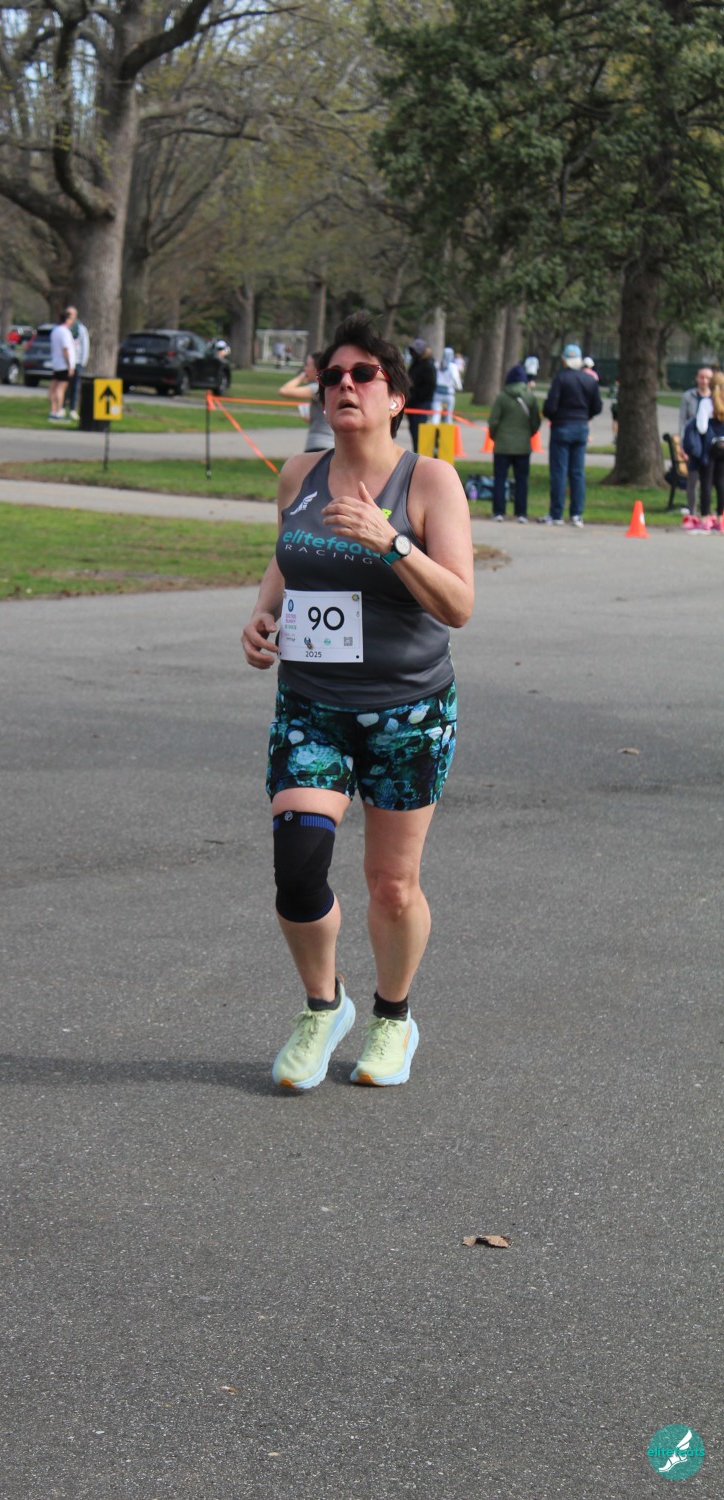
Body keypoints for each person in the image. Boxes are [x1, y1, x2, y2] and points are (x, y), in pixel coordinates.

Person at [240, 313, 474, 1092]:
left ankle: (394, 1017)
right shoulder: (298, 475)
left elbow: (458, 605)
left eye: (363, 374)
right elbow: (287, 561)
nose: (344, 385)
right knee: (298, 865)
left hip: (408, 710)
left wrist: (390, 540)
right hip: (312, 704)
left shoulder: (429, 481)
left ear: (395, 397)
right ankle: (322, 1005)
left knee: (391, 884)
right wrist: (263, 615)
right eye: (333, 375)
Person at [539, 342, 602, 526]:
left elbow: (551, 406)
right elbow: (597, 406)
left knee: (559, 472)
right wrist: (585, 415)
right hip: (581, 427)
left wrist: (553, 415)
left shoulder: (561, 379)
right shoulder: (589, 380)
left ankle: (556, 513)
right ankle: (576, 513)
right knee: (577, 472)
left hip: (562, 427)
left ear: (564, 360)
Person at [487, 363, 541, 522]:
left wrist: (495, 436)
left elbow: (493, 421)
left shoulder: (502, 397)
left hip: (502, 445)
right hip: (523, 445)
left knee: (500, 478)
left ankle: (498, 511)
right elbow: (535, 421)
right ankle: (521, 512)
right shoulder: (530, 397)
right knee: (522, 479)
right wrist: (528, 434)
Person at [278, 352, 334, 452]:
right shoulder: (330, 387)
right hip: (331, 445)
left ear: (316, 369)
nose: (305, 369)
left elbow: (284, 391)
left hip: (318, 445)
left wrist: (300, 377)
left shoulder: (317, 388)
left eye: (307, 365)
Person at [678, 366, 714, 514]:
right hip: (694, 442)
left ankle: (707, 511)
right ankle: (692, 511)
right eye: (701, 377)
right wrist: (682, 446)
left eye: (708, 378)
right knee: (692, 480)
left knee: (710, 480)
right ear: (697, 378)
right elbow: (682, 422)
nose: (704, 381)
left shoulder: (716, 398)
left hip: (710, 444)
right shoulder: (688, 396)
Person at [691, 370, 724, 529]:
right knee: (721, 482)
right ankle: (720, 518)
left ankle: (705, 518)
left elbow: (702, 427)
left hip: (710, 447)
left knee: (706, 481)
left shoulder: (706, 403)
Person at [405, 338, 437, 452]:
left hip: (421, 404)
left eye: (414, 351)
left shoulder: (427, 366)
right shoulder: (415, 364)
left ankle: (419, 453)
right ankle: (417, 451)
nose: (412, 353)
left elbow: (430, 386)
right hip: (412, 403)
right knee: (413, 430)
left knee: (418, 431)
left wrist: (416, 397)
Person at [48, 307, 76, 421]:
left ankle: (53, 410)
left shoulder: (55, 330)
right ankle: (59, 411)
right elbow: (66, 349)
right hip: (64, 364)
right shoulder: (64, 332)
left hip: (56, 363)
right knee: (61, 388)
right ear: (67, 320)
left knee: (54, 387)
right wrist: (70, 365)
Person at [67, 309, 89, 422]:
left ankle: (72, 409)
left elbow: (85, 346)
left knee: (76, 386)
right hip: (66, 362)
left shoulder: (81, 329)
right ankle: (61, 407)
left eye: (71, 314)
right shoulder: (64, 328)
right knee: (65, 386)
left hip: (77, 361)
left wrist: (83, 361)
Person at [430, 346, 463, 423]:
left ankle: (434, 428)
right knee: (448, 414)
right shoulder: (453, 366)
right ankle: (448, 428)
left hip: (437, 392)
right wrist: (459, 387)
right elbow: (455, 378)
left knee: (436, 414)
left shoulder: (437, 364)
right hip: (449, 393)